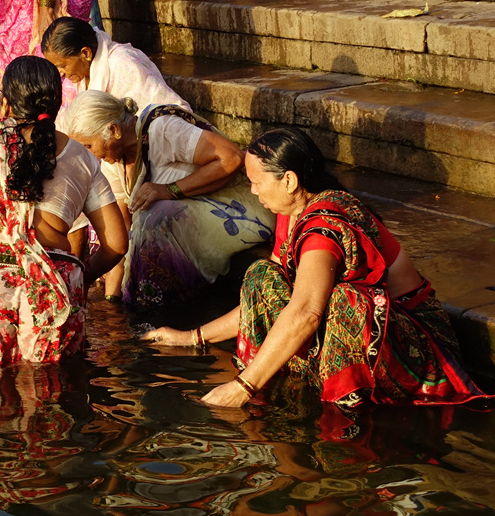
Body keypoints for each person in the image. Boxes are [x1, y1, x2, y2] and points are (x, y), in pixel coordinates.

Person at [143, 128, 490, 408]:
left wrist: (242, 388)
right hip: (357, 334)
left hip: (414, 343)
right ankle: (287, 378)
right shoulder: (291, 214)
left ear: (290, 181)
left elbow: (307, 311)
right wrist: (192, 338)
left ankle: (345, 413)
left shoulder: (324, 227)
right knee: (261, 276)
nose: (251, 190)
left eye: (256, 182)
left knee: (345, 302)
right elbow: (265, 297)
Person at [0, 56, 128, 363]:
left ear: (4, 105)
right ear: (56, 107)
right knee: (50, 397)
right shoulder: (82, 157)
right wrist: (80, 278)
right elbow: (117, 243)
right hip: (54, 287)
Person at [64, 91, 274, 306]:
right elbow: (122, 234)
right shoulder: (113, 161)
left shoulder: (162, 128)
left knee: (154, 216)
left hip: (236, 208)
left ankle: (169, 309)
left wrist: (169, 189)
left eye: (89, 146)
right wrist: (111, 300)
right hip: (193, 222)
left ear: (114, 130)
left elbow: (231, 158)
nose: (89, 156)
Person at [41, 16, 187, 115]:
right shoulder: (82, 74)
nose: (60, 73)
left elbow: (169, 112)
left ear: (85, 53)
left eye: (63, 66)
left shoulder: (123, 64)